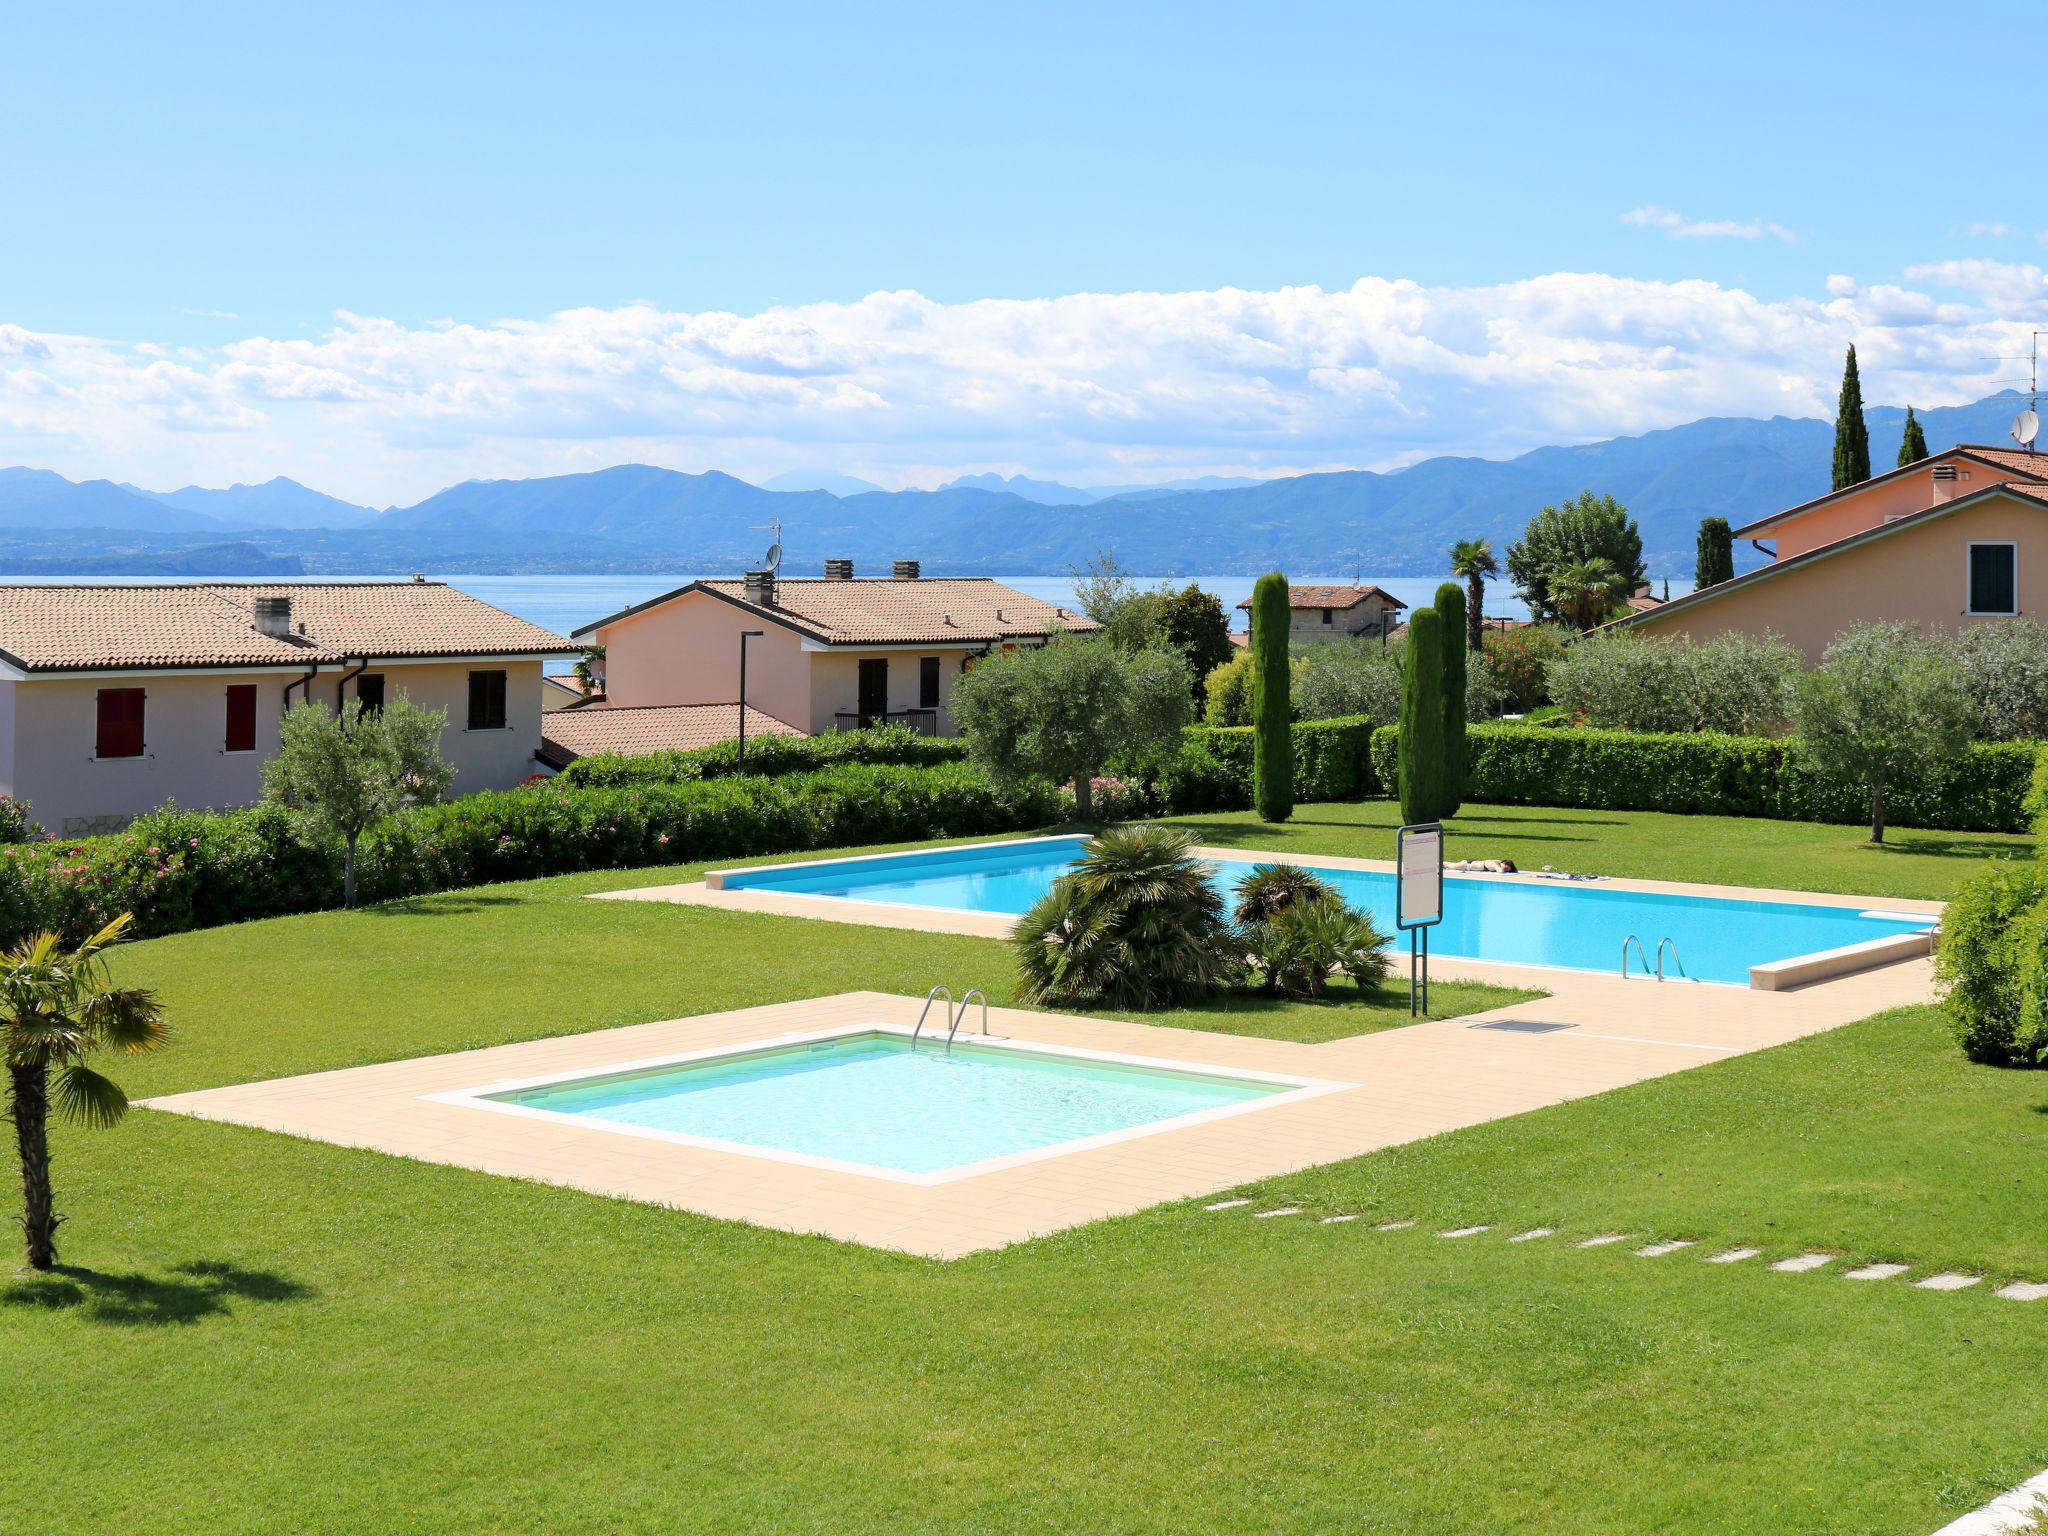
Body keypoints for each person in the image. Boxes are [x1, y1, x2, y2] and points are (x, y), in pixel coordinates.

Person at [1453, 857, 1517, 874]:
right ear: (1504, 863)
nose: (1505, 870)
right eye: (1506, 869)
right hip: (1467, 865)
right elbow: (1500, 871)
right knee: (1449, 865)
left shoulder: (1499, 862)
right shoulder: (1495, 864)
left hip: (1471, 864)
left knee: (1450, 865)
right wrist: (1503, 869)